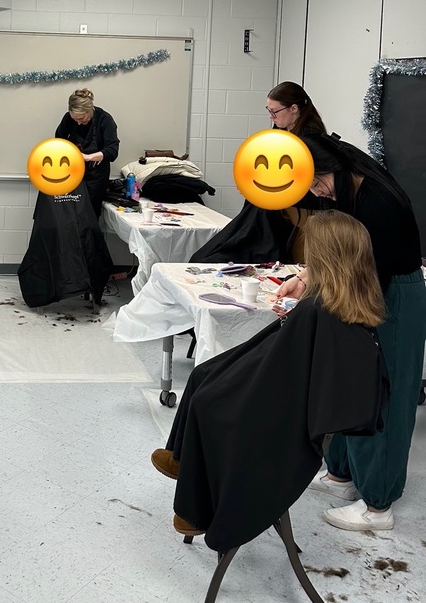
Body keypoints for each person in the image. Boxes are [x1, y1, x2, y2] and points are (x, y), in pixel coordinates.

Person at [150, 211, 386, 551]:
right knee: (204, 373)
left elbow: (275, 373)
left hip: (282, 410)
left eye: (310, 256)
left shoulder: (317, 310)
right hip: (286, 387)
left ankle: (195, 511)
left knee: (208, 402)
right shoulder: (347, 301)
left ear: (325, 259)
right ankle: (180, 459)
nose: (304, 261)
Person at [274, 132, 426, 532]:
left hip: (391, 296)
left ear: (337, 171)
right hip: (367, 285)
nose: (316, 192)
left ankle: (378, 506)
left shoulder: (378, 205)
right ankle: (342, 474)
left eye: (318, 182)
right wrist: (307, 278)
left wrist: (315, 289)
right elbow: (346, 261)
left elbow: (367, 272)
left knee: (383, 394)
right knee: (351, 382)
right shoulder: (347, 192)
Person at [188, 82, 327, 267]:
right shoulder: (283, 131)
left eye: (275, 112)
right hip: (275, 199)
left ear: (294, 108)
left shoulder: (310, 139)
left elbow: (301, 180)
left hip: (299, 198)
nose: (271, 117)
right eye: (268, 111)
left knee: (242, 235)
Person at [54, 88, 119, 218]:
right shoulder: (69, 119)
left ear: (89, 110)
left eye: (82, 118)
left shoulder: (104, 119)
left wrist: (89, 157)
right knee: (68, 215)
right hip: (72, 173)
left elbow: (112, 150)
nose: (78, 122)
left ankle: (89, 239)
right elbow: (59, 141)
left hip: (95, 176)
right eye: (75, 119)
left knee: (90, 215)